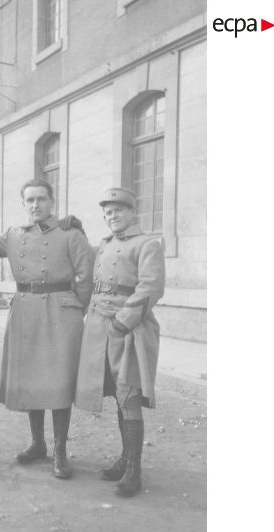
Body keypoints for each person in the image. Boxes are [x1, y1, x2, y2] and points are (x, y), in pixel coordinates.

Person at [0, 178, 94, 479]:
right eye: (30, 200)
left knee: (59, 382)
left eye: (41, 199)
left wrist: (75, 306)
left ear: (52, 201)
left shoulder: (70, 233)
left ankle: (60, 451)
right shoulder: (12, 235)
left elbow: (86, 272)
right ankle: (38, 444)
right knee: (32, 381)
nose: (36, 205)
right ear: (23, 204)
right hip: (26, 311)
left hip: (60, 313)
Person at [74, 187, 165, 497]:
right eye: (108, 212)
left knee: (129, 395)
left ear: (132, 213)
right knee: (115, 393)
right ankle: (125, 458)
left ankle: (133, 471)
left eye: (118, 210)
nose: (112, 216)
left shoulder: (147, 244)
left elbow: (151, 287)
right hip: (98, 326)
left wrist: (123, 322)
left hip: (129, 329)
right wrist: (72, 227)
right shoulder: (104, 244)